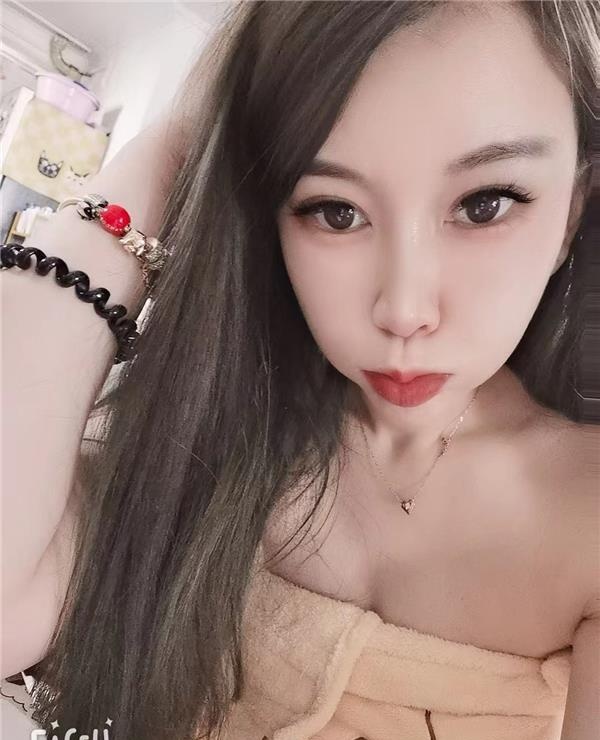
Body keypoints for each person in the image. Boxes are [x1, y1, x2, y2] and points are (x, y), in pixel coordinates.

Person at [2, 1, 598, 739]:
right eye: (334, 211)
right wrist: (185, 146)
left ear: (573, 209)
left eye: (485, 204)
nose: (403, 309)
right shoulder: (195, 437)